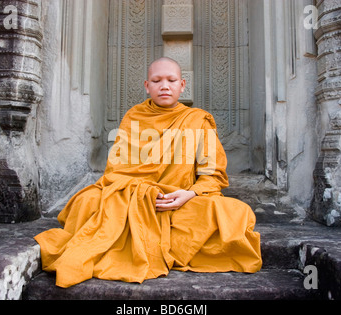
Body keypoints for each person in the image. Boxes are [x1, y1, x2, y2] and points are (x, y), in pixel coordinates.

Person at [34, 57, 262, 288]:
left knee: (235, 212)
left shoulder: (196, 120)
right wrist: (141, 194)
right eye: (157, 80)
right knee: (87, 201)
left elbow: (212, 174)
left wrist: (189, 194)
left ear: (183, 85)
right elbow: (116, 171)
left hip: (179, 201)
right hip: (132, 197)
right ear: (147, 85)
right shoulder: (134, 117)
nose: (164, 86)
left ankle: (146, 236)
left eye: (171, 80)